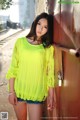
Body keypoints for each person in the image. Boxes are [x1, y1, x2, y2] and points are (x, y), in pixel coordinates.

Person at [6, 12, 55, 120]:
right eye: (39, 24)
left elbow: (50, 72)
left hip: (36, 93)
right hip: (18, 91)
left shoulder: (47, 48)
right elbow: (13, 68)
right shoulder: (20, 43)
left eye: (45, 27)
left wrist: (51, 95)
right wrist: (11, 91)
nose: (41, 28)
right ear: (34, 23)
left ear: (48, 30)